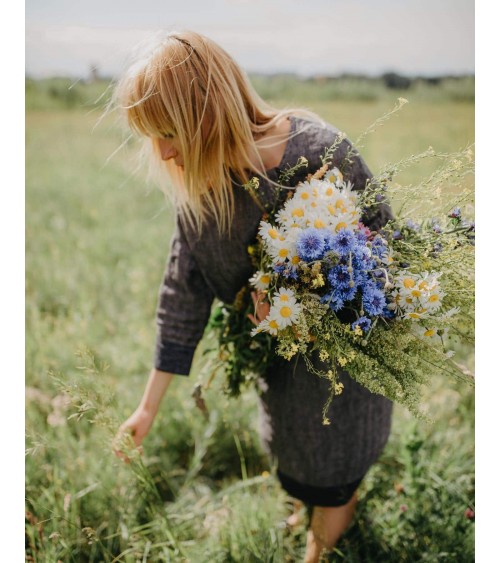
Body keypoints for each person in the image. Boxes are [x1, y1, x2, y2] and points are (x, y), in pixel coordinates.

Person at [112, 30, 393, 562]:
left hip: (346, 363)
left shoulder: (318, 152)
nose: (164, 152)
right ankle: (303, 506)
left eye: (170, 131)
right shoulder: (199, 186)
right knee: (289, 449)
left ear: (208, 112)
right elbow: (182, 292)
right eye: (154, 138)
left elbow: (385, 245)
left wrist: (302, 292)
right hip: (278, 364)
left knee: (335, 466)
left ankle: (320, 547)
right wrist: (147, 409)